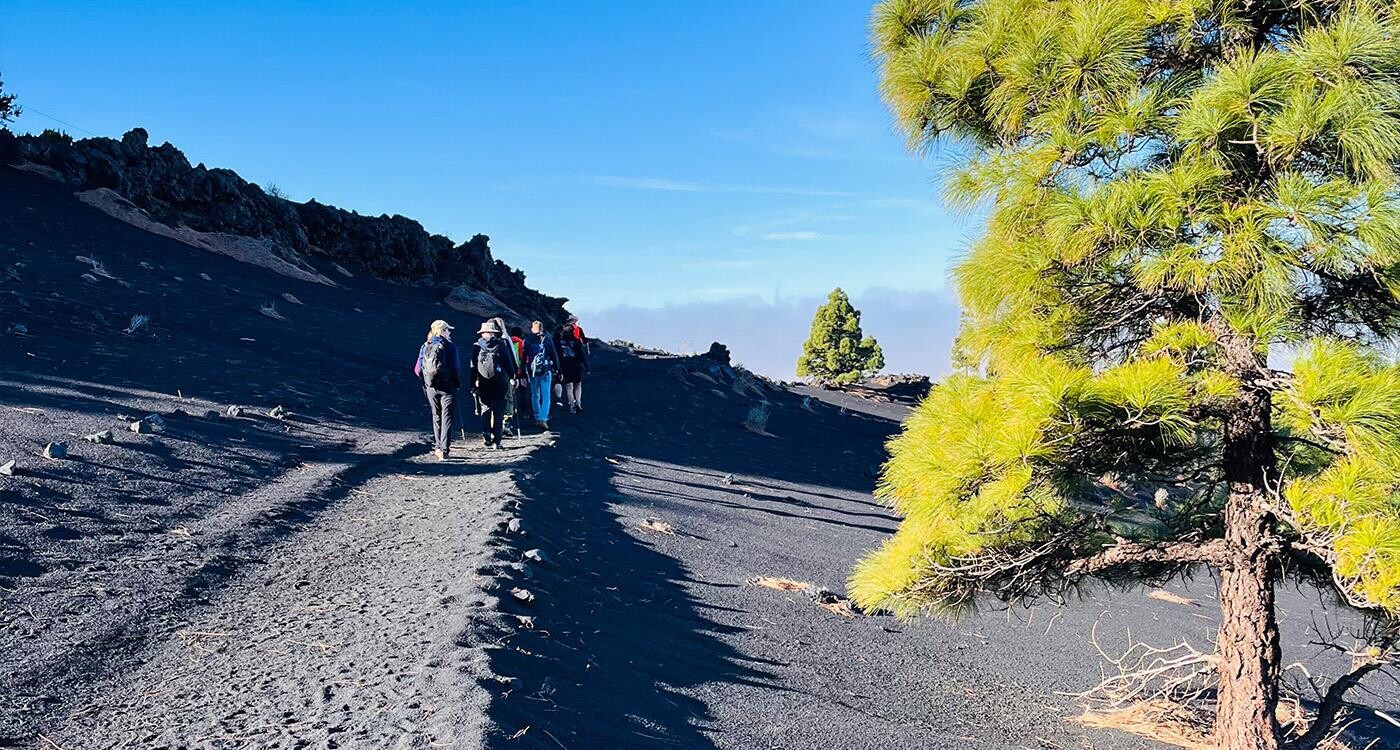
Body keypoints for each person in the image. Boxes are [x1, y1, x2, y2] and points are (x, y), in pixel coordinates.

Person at [413, 319, 461, 460]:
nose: (449, 332)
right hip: (448, 387)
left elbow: (417, 369)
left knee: (436, 416)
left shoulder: (425, 345)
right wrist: (456, 383)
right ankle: (444, 450)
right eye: (447, 330)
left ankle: (438, 447)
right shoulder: (450, 347)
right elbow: (455, 368)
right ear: (442, 331)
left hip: (431, 387)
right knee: (447, 417)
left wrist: (427, 381)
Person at [472, 319, 512, 449]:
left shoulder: (477, 346)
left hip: (483, 382)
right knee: (499, 412)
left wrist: (472, 383)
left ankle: (486, 435)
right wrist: (513, 377)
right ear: (493, 333)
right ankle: (497, 441)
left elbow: (473, 366)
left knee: (485, 408)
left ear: (483, 333)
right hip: (500, 382)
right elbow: (508, 363)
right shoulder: (501, 345)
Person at [523, 320, 559, 430]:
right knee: (546, 395)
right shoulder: (547, 339)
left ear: (532, 329)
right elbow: (553, 354)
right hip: (545, 369)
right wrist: (557, 368)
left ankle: (537, 417)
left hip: (532, 371)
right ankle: (543, 418)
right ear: (542, 328)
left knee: (535, 394)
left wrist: (523, 368)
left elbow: (524, 355)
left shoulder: (528, 339)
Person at [555, 320, 589, 413]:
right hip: (576, 366)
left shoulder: (560, 343)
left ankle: (572, 405)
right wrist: (587, 367)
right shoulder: (577, 341)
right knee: (578, 385)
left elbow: (558, 355)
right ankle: (578, 402)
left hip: (565, 366)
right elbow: (581, 355)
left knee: (569, 387)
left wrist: (558, 367)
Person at [508, 325, 531, 427]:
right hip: (520, 370)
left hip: (510, 370)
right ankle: (524, 412)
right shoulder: (520, 342)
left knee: (511, 392)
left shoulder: (507, 341)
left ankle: (512, 411)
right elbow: (524, 357)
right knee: (523, 391)